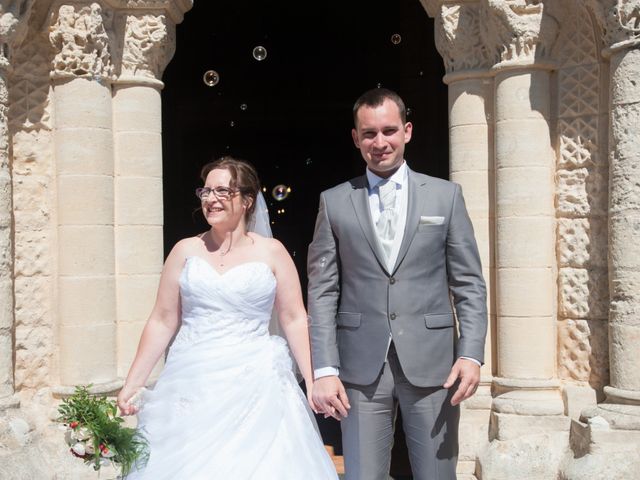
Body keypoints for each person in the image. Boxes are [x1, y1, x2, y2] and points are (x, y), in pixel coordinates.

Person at [117, 156, 338, 479]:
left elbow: (293, 318)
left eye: (223, 191)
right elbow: (162, 320)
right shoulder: (184, 251)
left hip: (256, 381)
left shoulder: (272, 252)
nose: (211, 199)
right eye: (206, 191)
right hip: (192, 382)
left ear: (247, 200)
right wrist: (133, 382)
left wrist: (313, 381)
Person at [307, 88, 487, 480]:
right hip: (359, 367)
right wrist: (324, 367)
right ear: (356, 138)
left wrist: (471, 354)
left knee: (436, 474)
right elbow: (322, 291)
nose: (380, 142)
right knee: (362, 474)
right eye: (369, 133)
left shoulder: (446, 196)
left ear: (407, 131)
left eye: (389, 130)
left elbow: (469, 282)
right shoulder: (334, 202)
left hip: (435, 362)